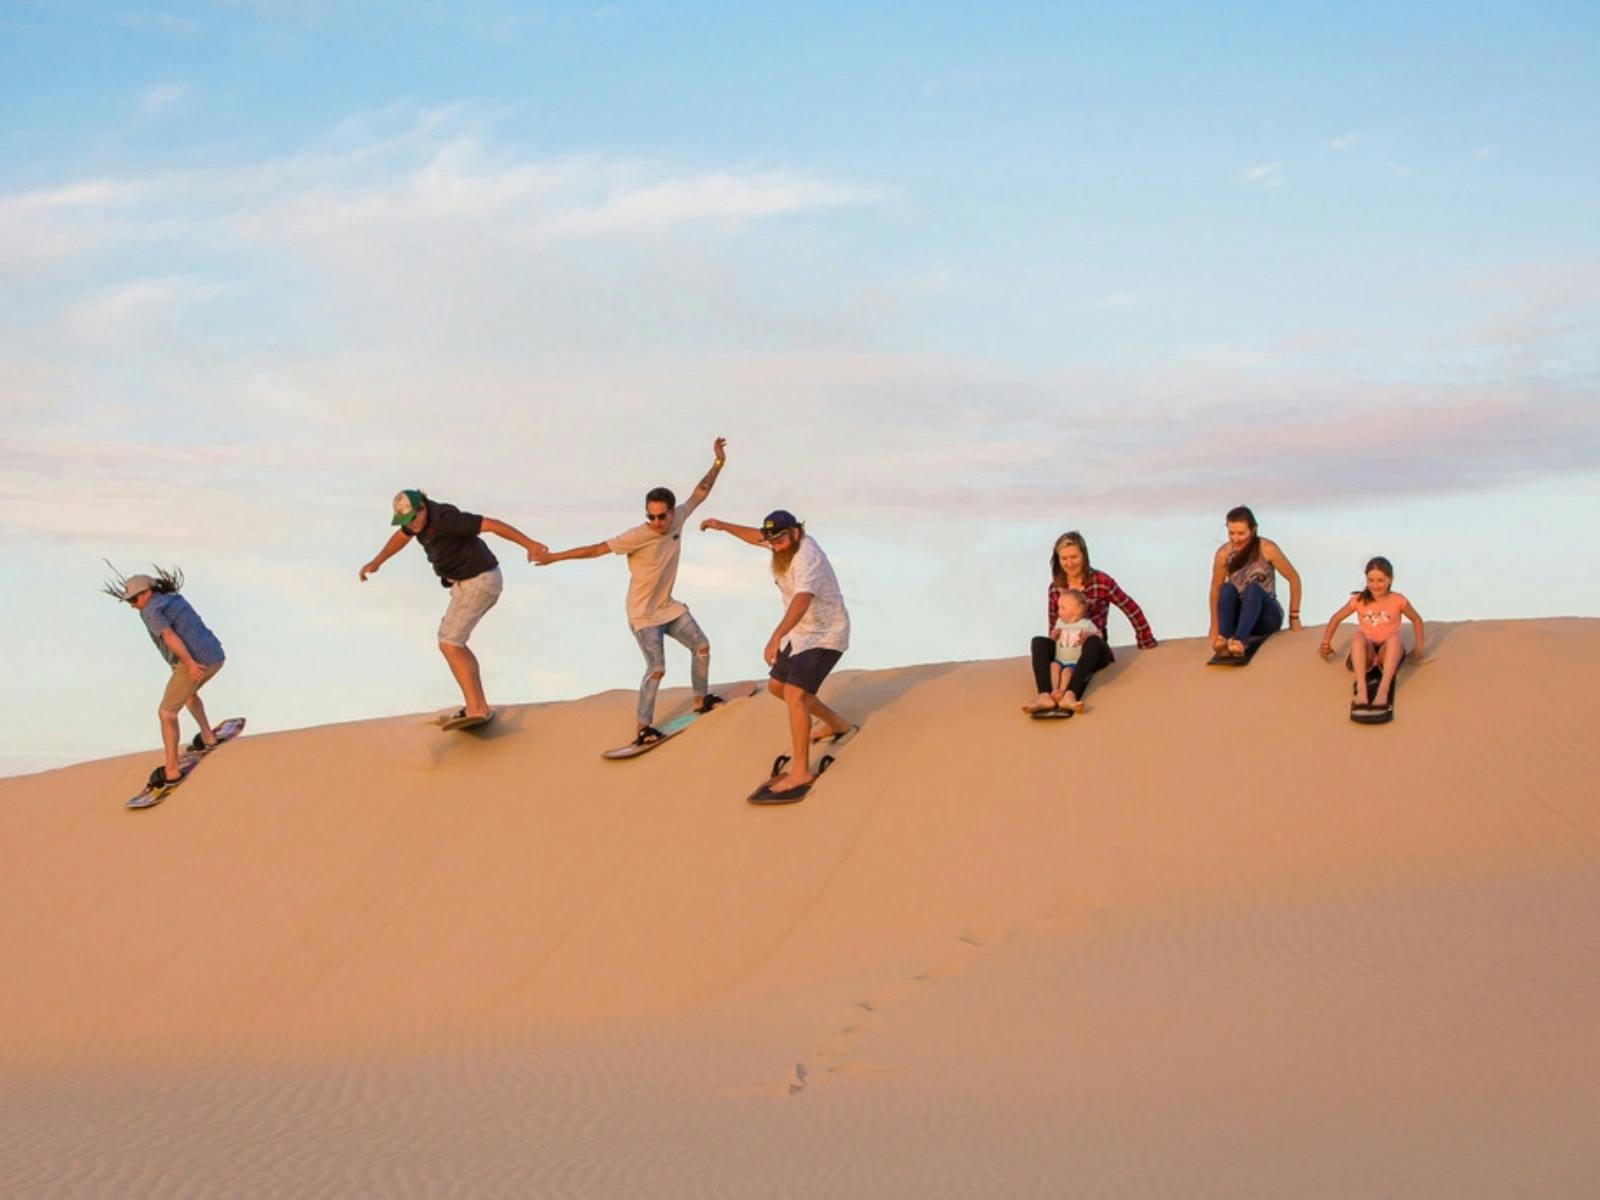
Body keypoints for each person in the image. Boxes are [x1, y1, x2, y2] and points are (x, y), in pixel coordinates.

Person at [535, 437, 729, 747]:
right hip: (642, 616)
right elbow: (596, 549)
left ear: (670, 512)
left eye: (661, 516)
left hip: (668, 607)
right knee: (657, 668)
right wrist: (554, 557)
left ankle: (700, 700)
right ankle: (643, 727)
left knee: (702, 646)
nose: (655, 522)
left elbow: (700, 492)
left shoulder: (679, 516)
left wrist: (718, 462)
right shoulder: (636, 536)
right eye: (650, 516)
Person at [359, 491, 547, 725]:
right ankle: (477, 706)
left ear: (422, 509)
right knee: (452, 643)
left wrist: (530, 545)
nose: (411, 526)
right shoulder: (416, 522)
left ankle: (477, 708)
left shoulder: (446, 519)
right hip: (467, 583)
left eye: (412, 520)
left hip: (480, 581)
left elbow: (492, 525)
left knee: (450, 643)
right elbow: (401, 536)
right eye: (405, 522)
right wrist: (377, 561)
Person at [700, 510, 851, 797]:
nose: (774, 546)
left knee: (795, 695)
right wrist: (722, 525)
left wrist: (776, 636)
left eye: (780, 540)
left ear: (795, 532)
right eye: (772, 542)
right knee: (777, 687)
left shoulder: (809, 557)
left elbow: (802, 599)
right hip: (799, 633)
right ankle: (836, 723)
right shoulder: (778, 542)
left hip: (826, 633)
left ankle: (801, 771)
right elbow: (755, 536)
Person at [103, 566, 226, 789]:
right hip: (215, 655)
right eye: (130, 601)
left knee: (166, 712)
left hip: (195, 661)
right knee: (187, 694)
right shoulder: (172, 598)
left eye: (135, 599)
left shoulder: (149, 610)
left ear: (147, 592)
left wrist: (188, 664)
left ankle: (171, 771)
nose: (133, 605)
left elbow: (169, 636)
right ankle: (208, 737)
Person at [1023, 530, 1158, 715]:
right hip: (1065, 651)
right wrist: (1054, 646)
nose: (1069, 563)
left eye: (1074, 557)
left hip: (1094, 650)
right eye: (1064, 559)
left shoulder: (1101, 581)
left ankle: (1071, 695)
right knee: (1038, 642)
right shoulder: (1055, 588)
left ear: (1084, 556)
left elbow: (1130, 607)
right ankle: (1045, 695)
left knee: (1093, 642)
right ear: (1058, 560)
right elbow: (1054, 623)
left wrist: (1145, 640)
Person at [1317, 556, 1425, 709]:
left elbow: (1416, 619)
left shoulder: (1398, 600)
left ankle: (1384, 688)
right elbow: (1336, 618)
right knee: (1357, 636)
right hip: (1365, 652)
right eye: (1371, 580)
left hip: (1386, 653)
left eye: (1380, 580)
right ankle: (1361, 688)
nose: (1375, 585)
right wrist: (1325, 643)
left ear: (1390, 579)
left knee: (1394, 639)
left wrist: (1419, 646)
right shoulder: (1359, 600)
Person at [1207, 505, 1302, 657]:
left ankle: (1240, 641)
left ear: (1253, 530)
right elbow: (1215, 590)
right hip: (1240, 616)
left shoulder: (1267, 548)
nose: (1236, 539)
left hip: (1266, 616)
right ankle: (1224, 640)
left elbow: (1294, 579)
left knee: (1253, 589)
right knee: (1226, 589)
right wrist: (1214, 626)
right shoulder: (1223, 554)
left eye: (1241, 533)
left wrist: (1294, 617)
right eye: (1231, 533)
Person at [1050, 589, 1100, 711]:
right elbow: (1052, 638)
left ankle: (1062, 691)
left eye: (1063, 608)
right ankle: (1054, 690)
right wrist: (1054, 634)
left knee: (1067, 672)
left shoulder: (1086, 624)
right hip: (1060, 658)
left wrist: (1087, 635)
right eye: (1059, 607)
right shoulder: (1059, 623)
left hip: (1074, 661)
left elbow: (1099, 636)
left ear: (1077, 611)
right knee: (1053, 666)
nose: (1059, 611)